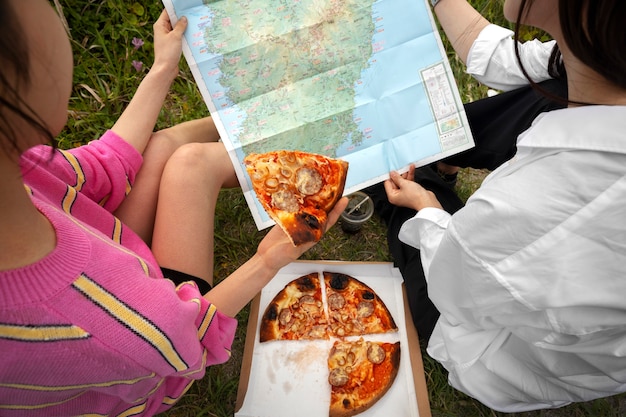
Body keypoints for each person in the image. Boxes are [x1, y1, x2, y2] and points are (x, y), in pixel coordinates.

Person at [0, 1, 346, 415]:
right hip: (160, 352)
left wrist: (163, 67)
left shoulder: (20, 171)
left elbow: (103, 163)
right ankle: (321, 146)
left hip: (117, 271)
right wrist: (268, 260)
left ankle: (265, 116)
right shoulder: (102, 325)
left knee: (165, 146)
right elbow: (189, 343)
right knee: (189, 165)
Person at [370, 0, 626, 412]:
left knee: (392, 180)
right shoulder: (605, 57)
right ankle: (444, 154)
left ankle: (430, 174)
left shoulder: (540, 206)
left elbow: (453, 287)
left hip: (492, 351)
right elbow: (503, 56)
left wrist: (427, 206)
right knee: (552, 88)